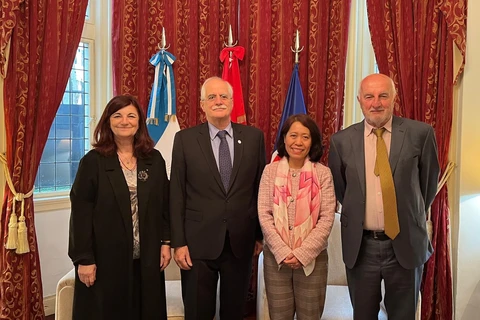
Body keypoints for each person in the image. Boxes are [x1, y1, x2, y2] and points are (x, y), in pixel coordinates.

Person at [328, 73, 440, 320]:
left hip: (405, 243)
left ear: (394, 98)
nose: (376, 103)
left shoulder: (420, 134)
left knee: (403, 315)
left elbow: (427, 186)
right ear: (359, 100)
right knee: (363, 315)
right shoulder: (341, 141)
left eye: (383, 96)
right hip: (361, 248)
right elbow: (343, 191)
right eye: (369, 96)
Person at [170, 76, 266, 320]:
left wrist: (258, 235)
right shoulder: (185, 139)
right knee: (198, 312)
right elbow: (177, 193)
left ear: (233, 102)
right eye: (211, 97)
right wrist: (178, 242)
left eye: (223, 96)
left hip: (240, 242)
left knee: (234, 312)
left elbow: (259, 189)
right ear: (202, 104)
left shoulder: (254, 138)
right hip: (196, 244)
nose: (218, 101)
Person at [68, 95, 171, 320]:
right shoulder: (93, 162)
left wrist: (166, 242)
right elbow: (81, 213)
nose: (125, 121)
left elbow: (164, 205)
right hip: (106, 261)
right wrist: (84, 258)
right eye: (118, 115)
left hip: (147, 258)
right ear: (108, 121)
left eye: (131, 116)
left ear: (139, 122)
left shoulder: (154, 160)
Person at [258, 114, 336, 319]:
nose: (298, 142)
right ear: (284, 138)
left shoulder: (323, 173)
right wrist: (283, 251)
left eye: (305, 137)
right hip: (276, 260)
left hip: (313, 261)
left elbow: (327, 218)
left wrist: (303, 254)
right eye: (293, 135)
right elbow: (264, 214)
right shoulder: (270, 171)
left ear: (313, 142)